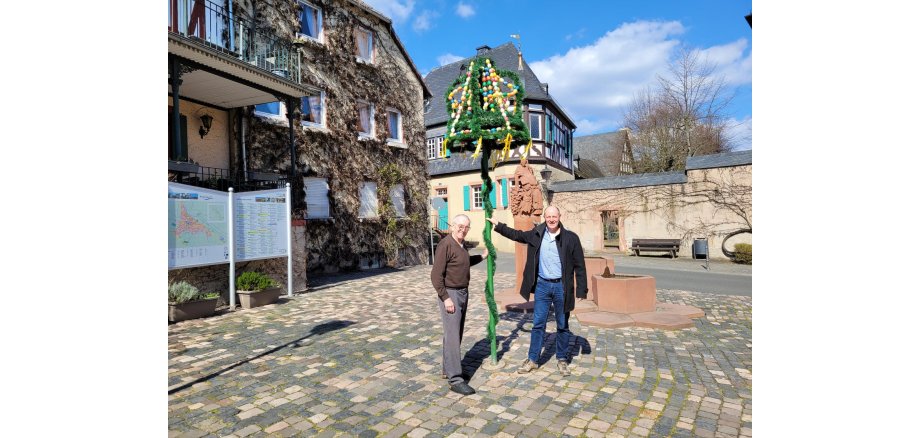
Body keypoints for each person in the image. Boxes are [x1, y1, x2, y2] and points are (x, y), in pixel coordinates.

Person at [486, 205, 587, 377]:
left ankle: (562, 359)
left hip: (562, 287)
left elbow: (580, 265)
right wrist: (498, 225)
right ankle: (532, 359)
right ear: (545, 218)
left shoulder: (571, 238)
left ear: (559, 216)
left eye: (554, 216)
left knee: (562, 325)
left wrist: (582, 290)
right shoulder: (537, 233)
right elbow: (517, 235)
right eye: (548, 216)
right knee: (538, 324)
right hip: (542, 286)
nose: (551, 219)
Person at [431, 214, 488, 395]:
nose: (463, 230)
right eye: (460, 226)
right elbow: (435, 275)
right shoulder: (445, 244)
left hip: (463, 292)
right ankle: (455, 379)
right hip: (451, 294)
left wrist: (482, 256)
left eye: (466, 227)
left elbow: (464, 263)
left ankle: (447, 369)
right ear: (453, 226)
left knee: (455, 334)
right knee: (453, 335)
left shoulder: (461, 245)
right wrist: (445, 297)